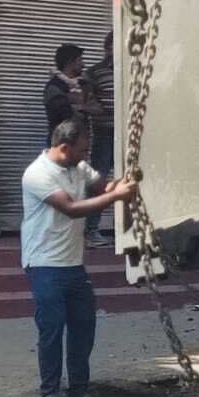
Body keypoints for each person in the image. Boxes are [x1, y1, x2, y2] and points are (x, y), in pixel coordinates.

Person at [21, 119, 137, 397]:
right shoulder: (38, 174)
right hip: (44, 265)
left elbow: (102, 185)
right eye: (82, 149)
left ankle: (79, 393)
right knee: (51, 331)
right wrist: (115, 196)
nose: (86, 155)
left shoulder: (79, 167)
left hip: (73, 264)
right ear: (64, 148)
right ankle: (49, 395)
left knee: (83, 328)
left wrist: (119, 185)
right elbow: (71, 209)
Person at [83, 32, 115, 249]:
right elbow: (85, 103)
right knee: (98, 181)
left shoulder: (133, 69)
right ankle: (91, 230)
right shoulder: (94, 73)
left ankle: (128, 228)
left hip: (130, 136)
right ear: (107, 48)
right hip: (104, 134)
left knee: (132, 180)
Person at [43, 44, 87, 140]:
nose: (83, 65)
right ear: (70, 62)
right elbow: (65, 115)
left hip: (78, 142)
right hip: (62, 142)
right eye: (80, 60)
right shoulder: (54, 87)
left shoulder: (81, 85)